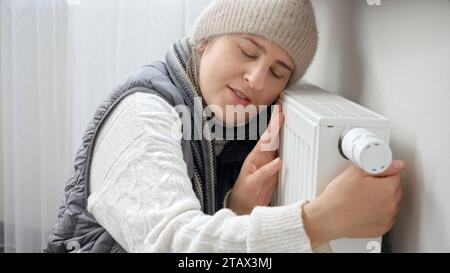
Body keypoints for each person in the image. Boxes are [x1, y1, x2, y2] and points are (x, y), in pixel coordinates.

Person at [45, 0, 404, 253]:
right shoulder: (143, 113)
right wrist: (320, 221)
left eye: (279, 72)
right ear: (205, 41)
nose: (256, 77)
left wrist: (239, 206)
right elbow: (170, 244)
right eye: (248, 51)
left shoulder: (226, 126)